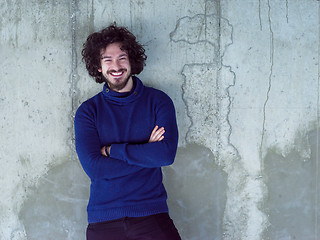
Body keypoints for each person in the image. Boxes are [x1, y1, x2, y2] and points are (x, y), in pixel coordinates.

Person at [74, 24, 181, 240]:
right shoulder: (88, 111)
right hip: (103, 219)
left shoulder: (158, 102)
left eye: (122, 58)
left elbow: (165, 155)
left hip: (151, 214)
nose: (116, 66)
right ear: (98, 66)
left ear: (132, 60)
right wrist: (146, 152)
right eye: (107, 60)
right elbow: (95, 169)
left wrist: (112, 150)